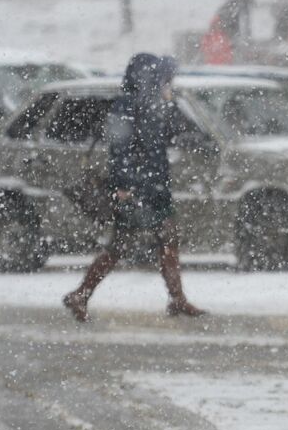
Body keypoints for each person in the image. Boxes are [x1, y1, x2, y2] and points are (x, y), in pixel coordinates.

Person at [61, 53, 206, 322]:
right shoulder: (127, 106)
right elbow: (120, 150)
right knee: (123, 246)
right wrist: (125, 185)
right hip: (137, 190)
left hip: (154, 188)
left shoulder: (153, 104)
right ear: (149, 79)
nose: (169, 83)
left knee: (164, 241)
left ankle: (176, 298)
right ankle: (81, 294)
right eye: (165, 79)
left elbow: (163, 140)